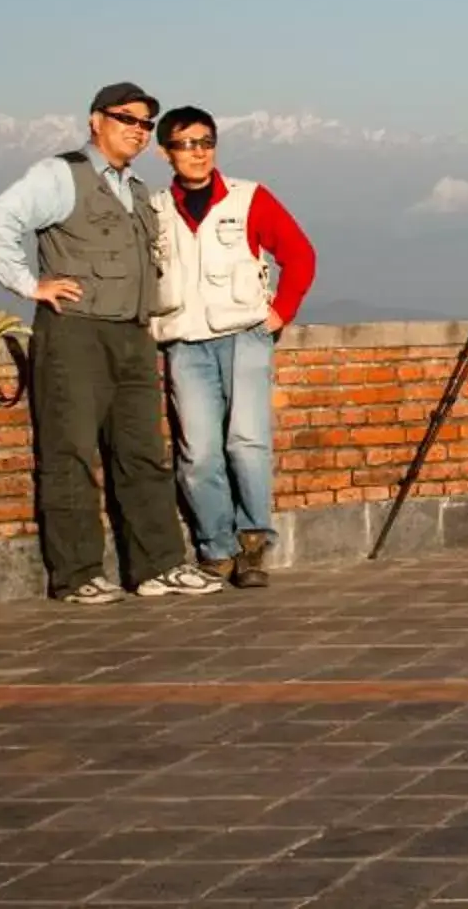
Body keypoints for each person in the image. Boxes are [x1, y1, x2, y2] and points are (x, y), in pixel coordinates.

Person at [0, 83, 225, 604]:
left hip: (131, 333)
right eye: (126, 118)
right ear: (96, 121)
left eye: (146, 123)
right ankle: (76, 574)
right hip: (75, 331)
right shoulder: (60, 175)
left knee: (143, 453)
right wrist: (29, 285)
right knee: (69, 452)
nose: (137, 129)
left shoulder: (135, 189)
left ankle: (158, 566)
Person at [149, 107, 317, 589]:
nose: (198, 152)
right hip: (184, 340)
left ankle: (252, 544)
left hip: (245, 334)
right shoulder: (154, 208)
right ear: (166, 153)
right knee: (198, 452)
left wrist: (281, 312)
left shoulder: (250, 198)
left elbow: (299, 255)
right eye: (186, 144)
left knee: (246, 443)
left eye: (206, 142)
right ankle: (215, 547)